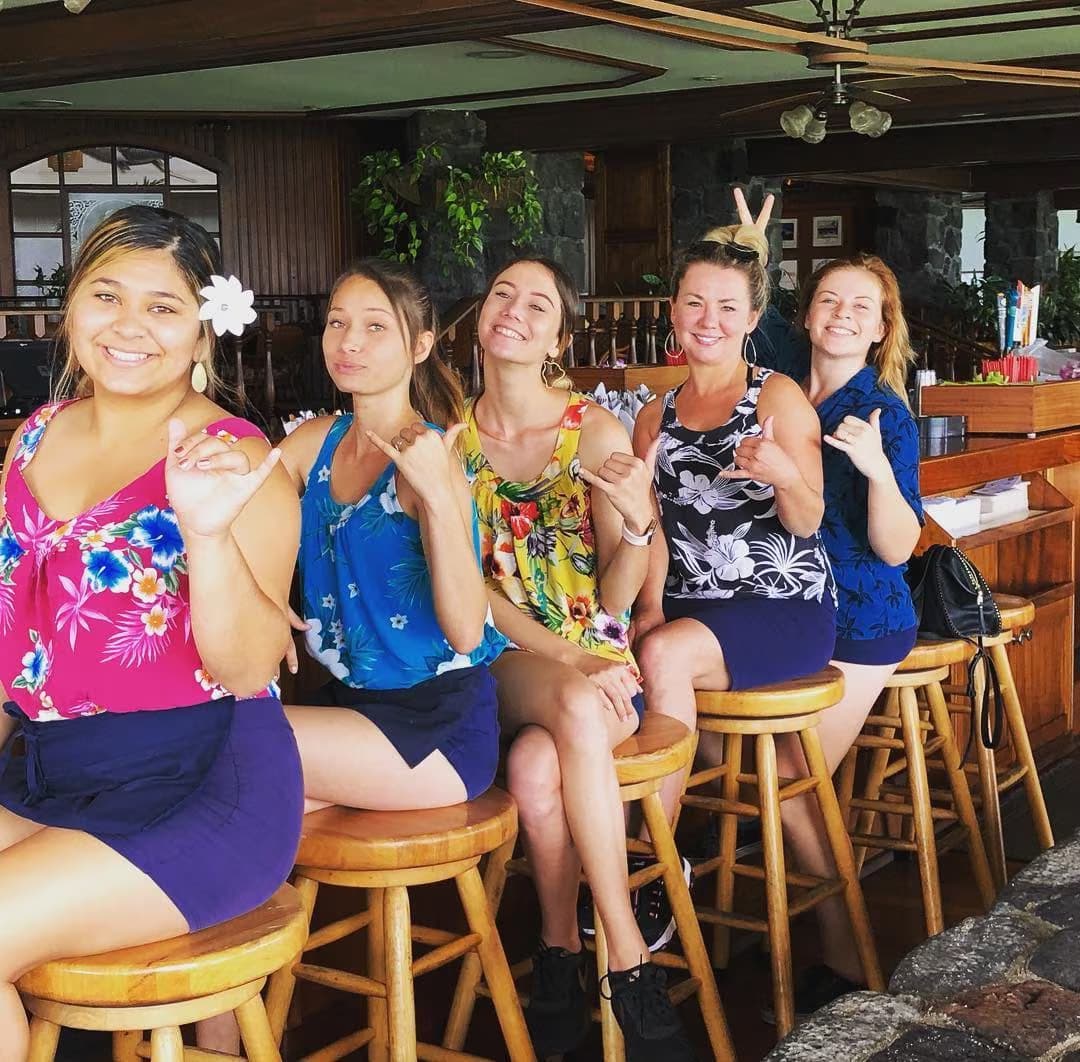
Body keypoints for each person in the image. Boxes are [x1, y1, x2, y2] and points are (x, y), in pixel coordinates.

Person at [0, 206, 303, 1060]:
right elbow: (10, 639)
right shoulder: (32, 441)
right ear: (71, 311)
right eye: (107, 296)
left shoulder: (235, 458)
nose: (129, 326)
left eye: (163, 307)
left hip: (201, 783)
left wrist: (204, 534)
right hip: (51, 774)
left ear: (203, 331)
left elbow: (245, 667)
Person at [460, 256, 697, 1061]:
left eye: (537, 304)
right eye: (502, 294)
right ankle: (628, 958)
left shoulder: (591, 431)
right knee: (564, 705)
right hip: (502, 657)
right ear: (480, 317)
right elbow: (468, 593)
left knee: (534, 770)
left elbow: (617, 593)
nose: (515, 312)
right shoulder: (450, 439)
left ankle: (559, 953)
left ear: (559, 336)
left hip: (593, 657)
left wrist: (637, 526)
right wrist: (571, 660)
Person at [280, 259, 507, 814]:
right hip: (346, 705)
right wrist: (261, 597)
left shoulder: (429, 457)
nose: (349, 341)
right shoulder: (314, 444)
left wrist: (437, 496)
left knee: (235, 748)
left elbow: (463, 630)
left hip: (434, 726)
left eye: (375, 326)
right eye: (337, 323)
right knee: (235, 814)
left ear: (421, 346)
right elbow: (245, 516)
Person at [631, 223, 837, 831]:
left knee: (663, 656)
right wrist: (647, 605)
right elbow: (657, 530)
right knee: (613, 660)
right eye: (694, 302)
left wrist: (783, 476)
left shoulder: (776, 399)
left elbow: (809, 519)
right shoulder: (653, 416)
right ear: (674, 310)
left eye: (727, 306)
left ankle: (653, 867)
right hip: (692, 608)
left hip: (783, 605)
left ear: (751, 319)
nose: (708, 319)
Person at [776, 253, 921, 1013]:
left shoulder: (883, 415)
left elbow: (897, 548)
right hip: (779, 612)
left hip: (859, 621)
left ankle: (847, 954)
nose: (842, 313)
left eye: (861, 306)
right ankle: (719, 876)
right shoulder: (775, 390)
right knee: (748, 754)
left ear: (879, 329)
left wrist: (876, 470)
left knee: (792, 781)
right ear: (805, 315)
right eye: (829, 299)